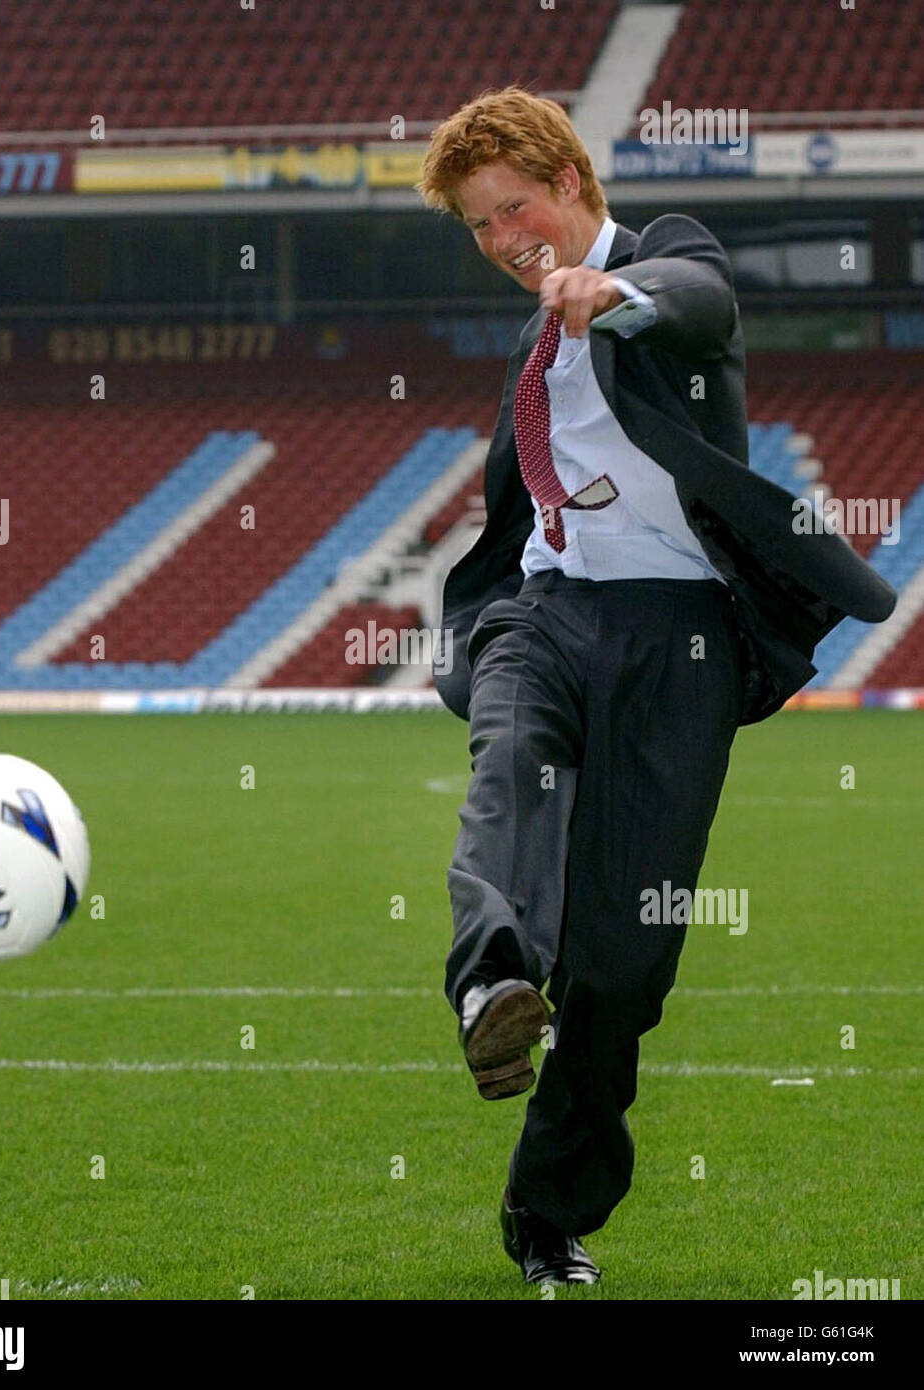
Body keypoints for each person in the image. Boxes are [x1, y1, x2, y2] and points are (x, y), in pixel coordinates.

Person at [415, 87, 895, 1286]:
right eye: (478, 226)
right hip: (544, 611)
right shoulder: (526, 346)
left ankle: (545, 1214)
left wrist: (610, 294)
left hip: (678, 634)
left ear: (571, 181)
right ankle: (490, 981)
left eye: (513, 208)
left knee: (625, 969)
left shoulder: (667, 256)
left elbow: (700, 300)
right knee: (506, 760)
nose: (503, 239)